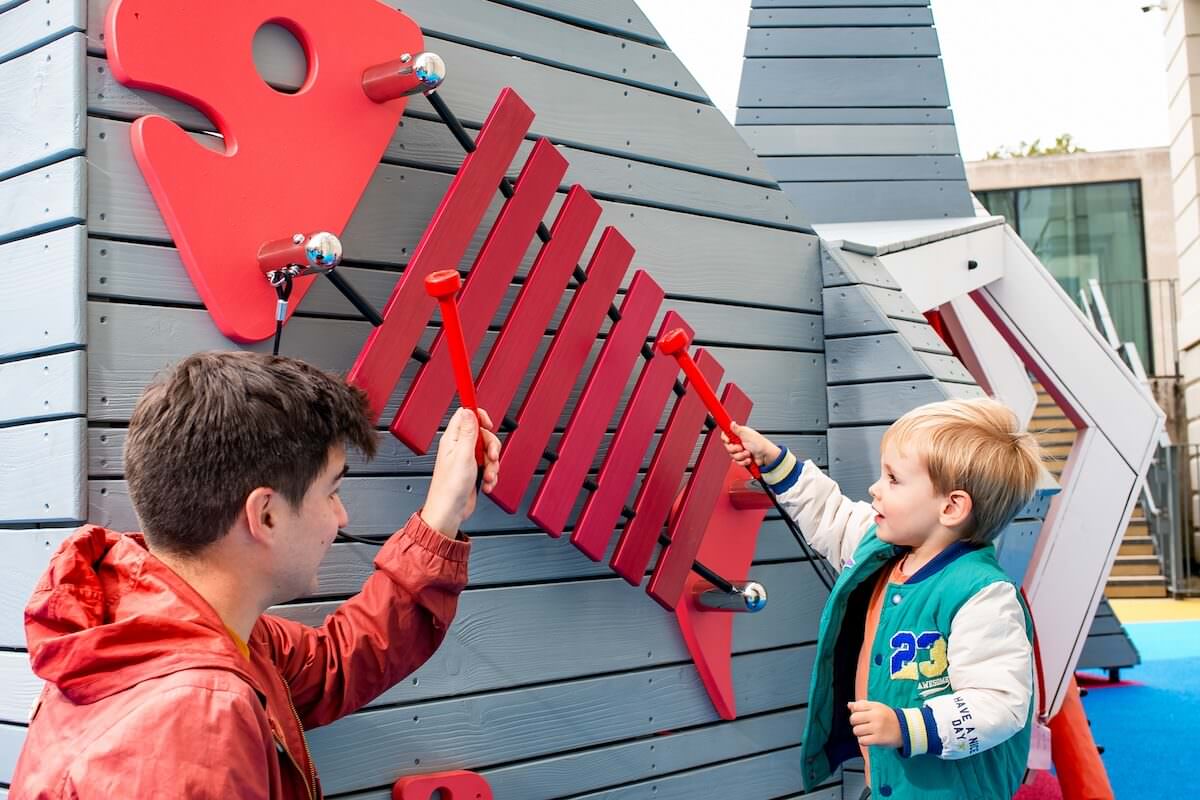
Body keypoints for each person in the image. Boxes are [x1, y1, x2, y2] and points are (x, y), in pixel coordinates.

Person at [11, 351, 501, 799]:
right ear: (265, 515)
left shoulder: (163, 627)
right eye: (331, 492)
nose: (342, 518)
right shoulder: (195, 725)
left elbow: (337, 662)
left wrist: (444, 513)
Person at [724, 397, 1040, 800]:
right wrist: (774, 462)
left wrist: (909, 727)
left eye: (893, 479)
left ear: (951, 506)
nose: (875, 489)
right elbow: (830, 514)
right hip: (891, 783)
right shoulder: (884, 548)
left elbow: (999, 703)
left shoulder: (981, 595)